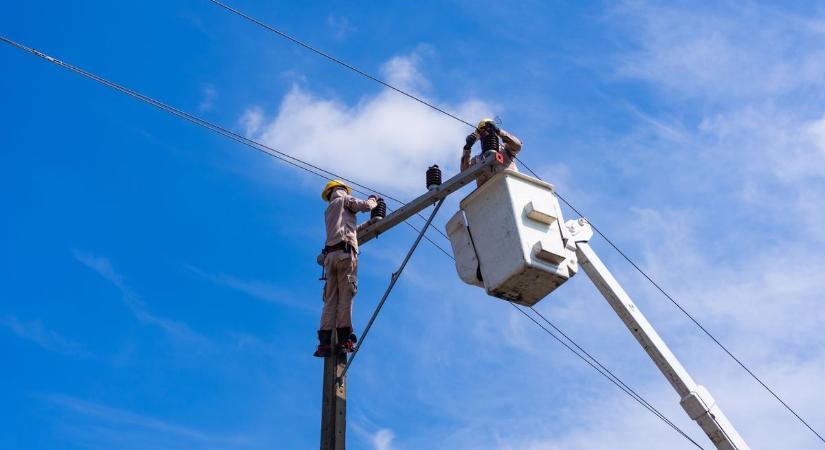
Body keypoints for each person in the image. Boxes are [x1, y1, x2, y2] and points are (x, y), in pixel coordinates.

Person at [314, 180, 378, 358]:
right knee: (345, 298)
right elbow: (365, 206)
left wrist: (368, 225)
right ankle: (343, 340)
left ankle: (324, 343)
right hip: (345, 255)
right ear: (342, 190)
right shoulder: (345, 200)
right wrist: (373, 200)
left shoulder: (329, 210)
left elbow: (349, 230)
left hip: (330, 259)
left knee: (330, 301)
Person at [461, 118, 523, 186]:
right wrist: (467, 148)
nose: (487, 133)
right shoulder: (477, 160)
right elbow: (465, 173)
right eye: (483, 132)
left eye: (489, 130)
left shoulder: (506, 150)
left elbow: (517, 146)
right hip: (489, 191)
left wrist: (499, 131)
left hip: (510, 184)